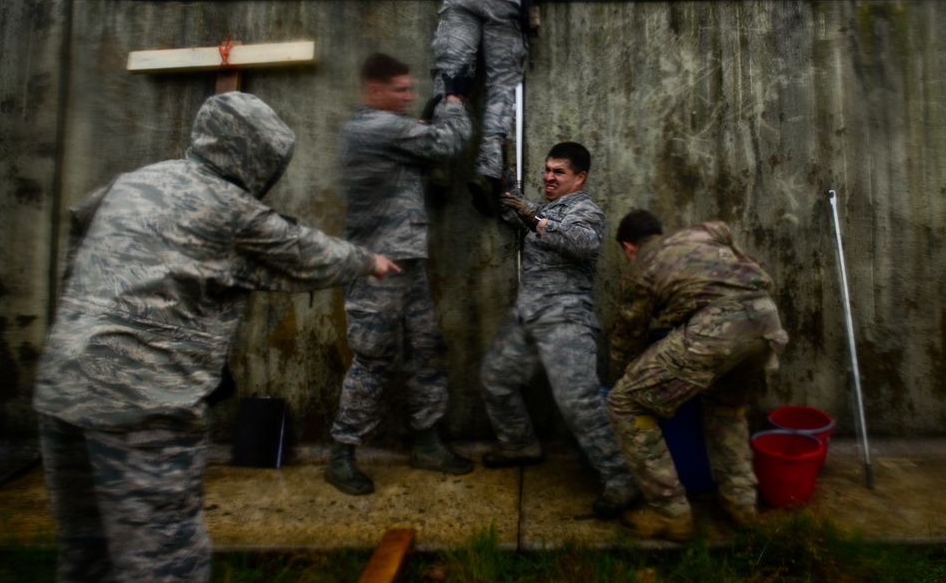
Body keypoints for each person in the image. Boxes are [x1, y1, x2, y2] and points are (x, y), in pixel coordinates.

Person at [33, 91, 399, 583]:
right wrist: (368, 261)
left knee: (86, 556)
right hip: (143, 402)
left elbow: (77, 252)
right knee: (165, 561)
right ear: (257, 157)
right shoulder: (228, 207)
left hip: (61, 387)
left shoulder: (130, 183)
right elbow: (300, 251)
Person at [326, 52, 474, 495]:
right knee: (373, 360)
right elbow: (447, 142)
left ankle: (427, 443)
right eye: (400, 89)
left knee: (427, 349)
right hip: (378, 270)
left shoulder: (391, 132)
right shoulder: (373, 127)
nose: (409, 96)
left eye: (412, 89)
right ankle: (341, 453)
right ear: (374, 91)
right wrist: (453, 97)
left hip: (406, 265)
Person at [605, 210, 790, 541]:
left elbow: (627, 337)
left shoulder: (640, 267)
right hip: (765, 320)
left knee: (624, 403)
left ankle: (670, 513)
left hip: (716, 329)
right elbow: (727, 240)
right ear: (659, 233)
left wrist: (626, 375)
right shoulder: (707, 231)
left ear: (628, 247)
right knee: (726, 409)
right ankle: (740, 506)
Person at [479, 142, 639, 518]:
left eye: (559, 172)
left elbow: (581, 243)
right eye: (547, 170)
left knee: (579, 403)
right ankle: (519, 444)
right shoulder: (548, 208)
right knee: (495, 379)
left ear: (579, 177)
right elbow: (514, 211)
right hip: (530, 317)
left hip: (566, 319)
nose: (549, 177)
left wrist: (532, 216)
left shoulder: (586, 211)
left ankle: (621, 480)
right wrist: (499, 181)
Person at [431, 0, 580, 215]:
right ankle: (486, 171)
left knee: (453, 76)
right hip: (506, 0)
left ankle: (440, 155)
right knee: (501, 87)